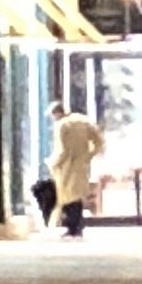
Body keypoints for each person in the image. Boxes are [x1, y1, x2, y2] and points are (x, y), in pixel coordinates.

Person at [47, 101, 104, 237]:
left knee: (67, 196)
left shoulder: (62, 125)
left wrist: (53, 163)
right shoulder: (84, 121)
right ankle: (77, 226)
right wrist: (89, 155)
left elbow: (63, 150)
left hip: (66, 166)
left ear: (57, 114)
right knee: (77, 195)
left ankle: (73, 227)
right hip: (81, 164)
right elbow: (99, 141)